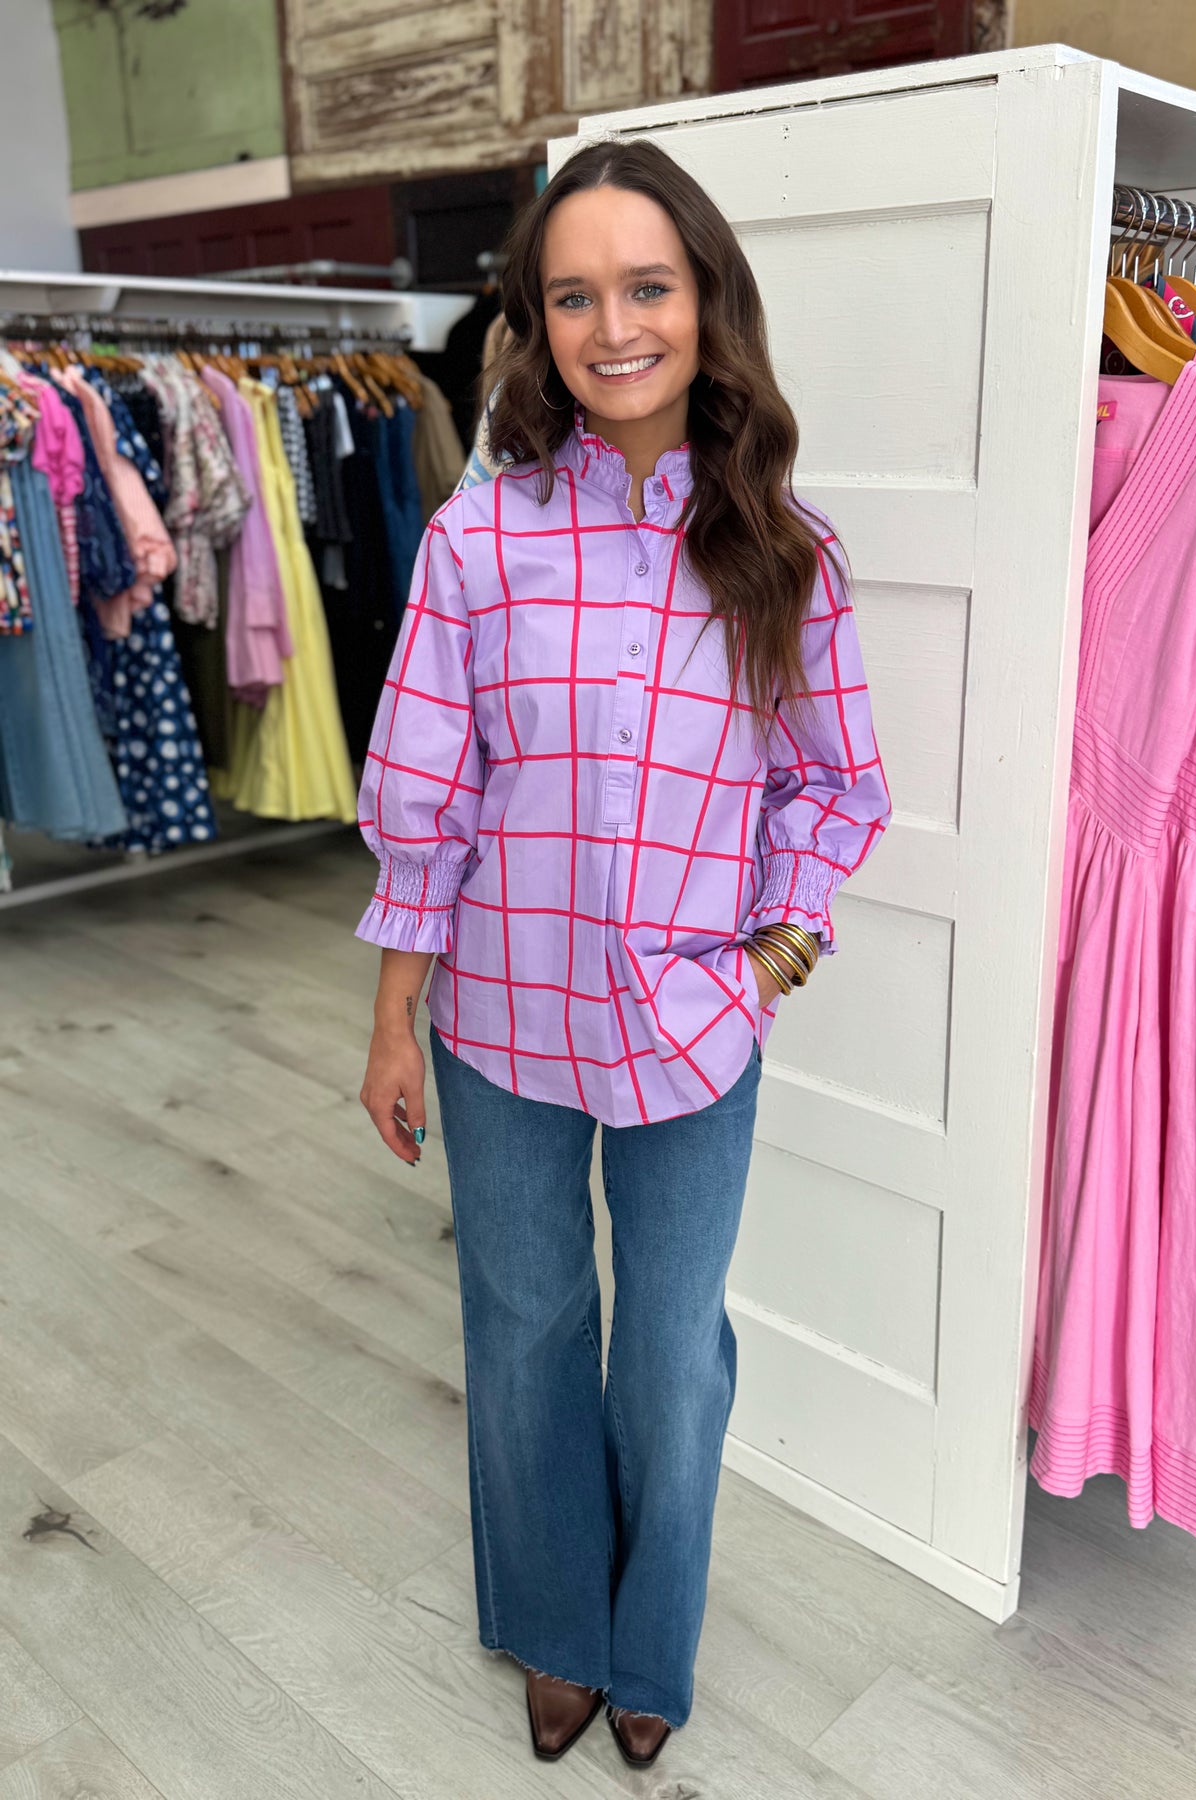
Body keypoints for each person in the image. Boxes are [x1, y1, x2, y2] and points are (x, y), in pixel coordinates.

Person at [355, 136, 892, 1768]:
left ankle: (649, 1640)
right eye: (573, 296)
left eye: (646, 287)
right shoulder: (479, 539)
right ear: (535, 321)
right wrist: (392, 1021)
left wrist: (766, 962)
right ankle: (554, 1625)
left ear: (706, 301)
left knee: (667, 1351)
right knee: (522, 1326)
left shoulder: (782, 551)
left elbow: (835, 788)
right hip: (499, 1017)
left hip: (693, 1026)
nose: (614, 327)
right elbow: (426, 795)